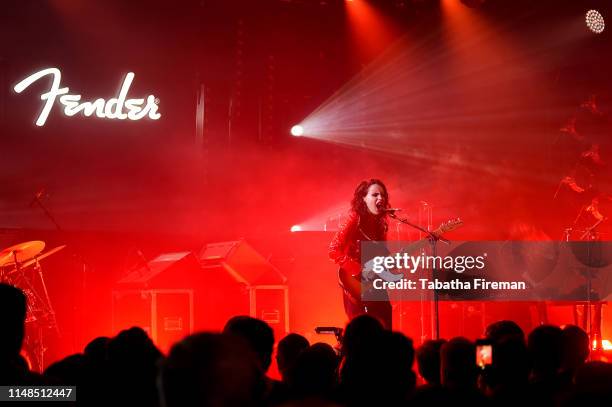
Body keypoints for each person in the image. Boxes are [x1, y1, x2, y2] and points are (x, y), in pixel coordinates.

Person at [329, 179, 393, 329]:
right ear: (363, 198)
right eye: (375, 195)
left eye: (383, 195)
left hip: (374, 282)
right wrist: (357, 269)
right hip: (355, 282)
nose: (380, 198)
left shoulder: (381, 224)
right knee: (361, 329)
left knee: (385, 322)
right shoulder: (354, 219)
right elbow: (333, 249)